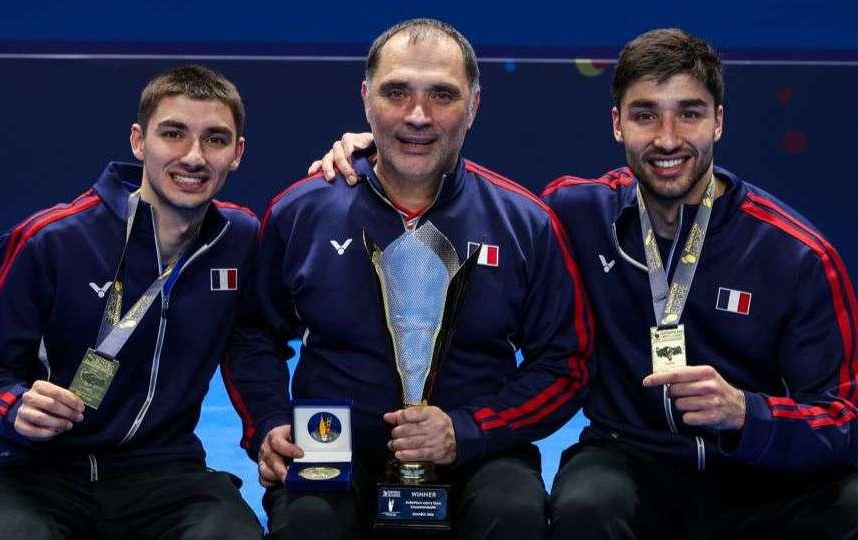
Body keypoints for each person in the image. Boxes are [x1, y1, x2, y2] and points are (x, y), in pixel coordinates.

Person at [314, 27, 858, 540]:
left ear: (720, 121)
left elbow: (846, 419)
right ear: (616, 123)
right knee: (582, 507)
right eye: (645, 113)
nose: (668, 137)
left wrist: (746, 413)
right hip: (632, 461)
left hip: (770, 477)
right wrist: (380, 155)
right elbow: (465, 194)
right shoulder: (573, 214)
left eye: (690, 113)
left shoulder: (799, 255)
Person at [227, 18, 593, 540]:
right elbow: (251, 333)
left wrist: (470, 430)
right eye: (396, 92)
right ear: (365, 98)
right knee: (308, 523)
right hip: (330, 443)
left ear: (473, 106)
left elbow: (566, 363)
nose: (417, 116)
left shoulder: (525, 221)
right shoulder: (301, 209)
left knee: (513, 513)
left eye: (442, 95)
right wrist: (267, 424)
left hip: (477, 452)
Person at [0, 65, 264, 539]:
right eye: (174, 134)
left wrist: (362, 152)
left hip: (166, 471)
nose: (194, 157)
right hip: (37, 472)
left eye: (216, 139)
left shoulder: (239, 239)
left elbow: (252, 350)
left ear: (237, 153)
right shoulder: (48, 240)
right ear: (139, 141)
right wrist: (14, 405)